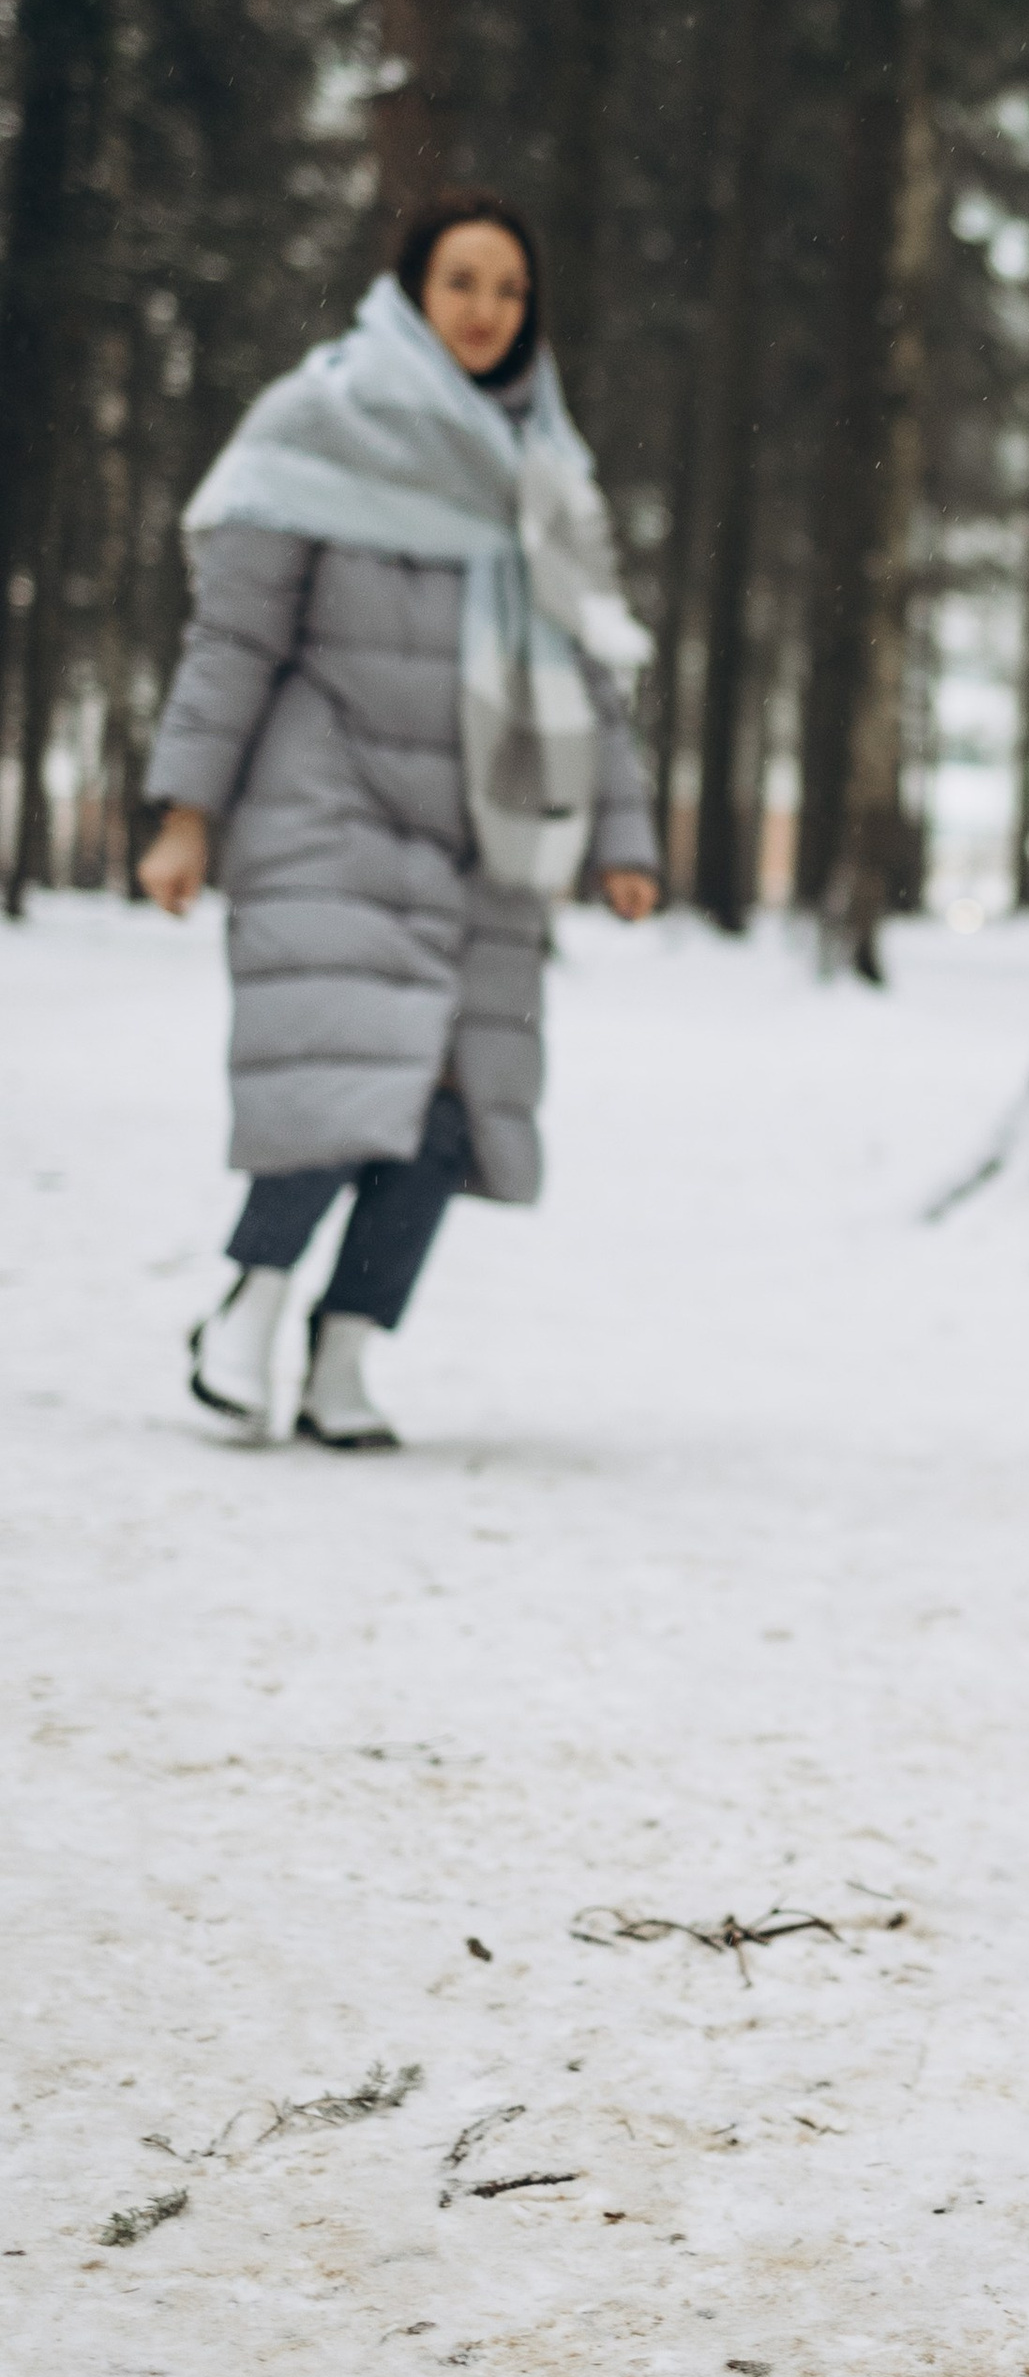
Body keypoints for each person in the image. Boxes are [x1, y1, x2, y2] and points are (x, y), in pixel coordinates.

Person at [136, 190, 660, 1450]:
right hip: (328, 799)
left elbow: (590, 662)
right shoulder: (322, 422)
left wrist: (625, 834)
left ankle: (345, 1354)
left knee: (450, 1102)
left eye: (509, 291)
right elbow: (235, 640)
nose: (485, 311)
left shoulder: (545, 465)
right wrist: (184, 813)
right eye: (462, 282)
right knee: (341, 1067)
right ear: (413, 293)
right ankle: (246, 1316)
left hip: (487, 818)